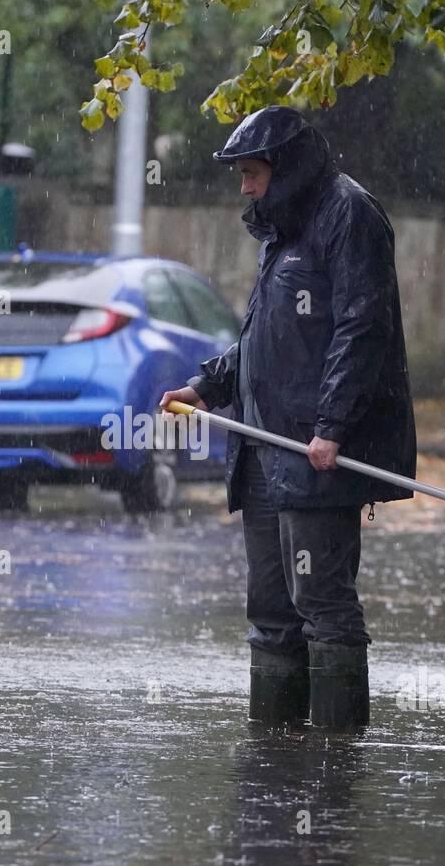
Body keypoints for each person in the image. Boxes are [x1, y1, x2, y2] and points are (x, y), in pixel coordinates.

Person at [160, 106, 417, 729]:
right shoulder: (283, 227)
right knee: (271, 613)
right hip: (261, 451)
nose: (244, 187)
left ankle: (335, 768)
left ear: (288, 167)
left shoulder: (349, 215)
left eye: (252, 173)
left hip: (311, 452)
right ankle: (273, 770)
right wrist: (207, 384)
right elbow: (267, 338)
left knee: (323, 604)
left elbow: (362, 329)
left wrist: (330, 426)